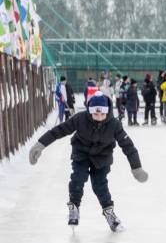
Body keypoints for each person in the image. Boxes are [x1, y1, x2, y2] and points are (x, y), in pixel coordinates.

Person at [28, 93, 148, 231]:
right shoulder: (80, 119)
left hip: (102, 158)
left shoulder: (114, 124)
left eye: (102, 114)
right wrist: (40, 145)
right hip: (81, 154)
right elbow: (59, 131)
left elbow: (128, 147)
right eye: (95, 114)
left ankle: (110, 214)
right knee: (78, 179)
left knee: (100, 185)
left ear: (107, 111)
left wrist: (136, 168)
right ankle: (74, 208)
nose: (98, 118)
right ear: (90, 111)